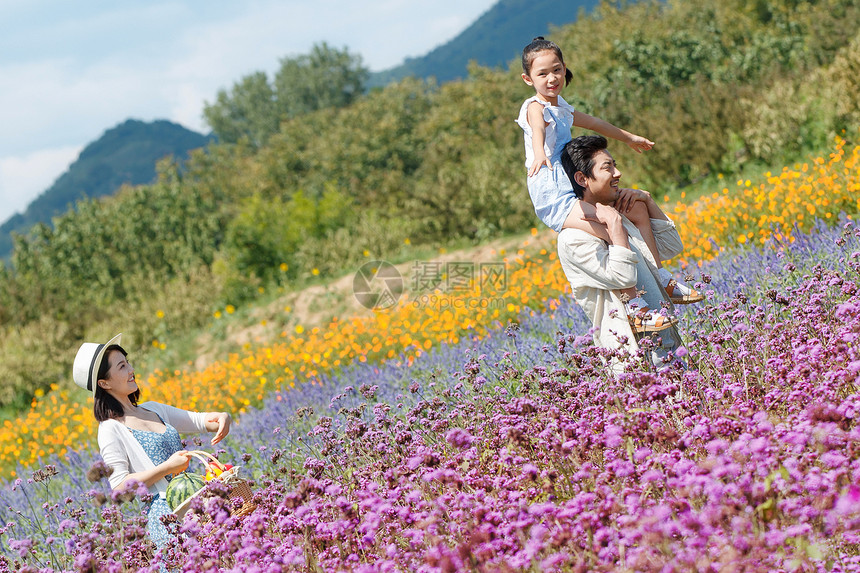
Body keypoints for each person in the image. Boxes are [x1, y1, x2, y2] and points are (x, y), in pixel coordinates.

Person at [516, 37, 701, 330]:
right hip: (553, 193)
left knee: (636, 209)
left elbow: (598, 124)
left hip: (573, 184)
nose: (552, 78)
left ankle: (661, 278)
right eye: (542, 74)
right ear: (528, 79)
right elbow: (537, 128)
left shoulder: (562, 107)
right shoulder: (534, 107)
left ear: (565, 69)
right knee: (609, 225)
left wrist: (629, 138)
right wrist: (539, 152)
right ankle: (635, 308)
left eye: (557, 70)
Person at [73, 333, 232, 553]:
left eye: (127, 363)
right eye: (121, 367)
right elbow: (119, 488)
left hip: (199, 507)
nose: (131, 370)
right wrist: (167, 468)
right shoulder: (110, 428)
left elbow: (201, 420)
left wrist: (223, 416)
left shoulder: (154, 409)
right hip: (169, 521)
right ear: (104, 382)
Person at [556, 135, 686, 369]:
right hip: (632, 358)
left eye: (615, 165)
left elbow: (671, 247)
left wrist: (647, 201)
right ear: (582, 179)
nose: (617, 173)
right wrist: (615, 228)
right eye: (608, 167)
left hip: (668, 346)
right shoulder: (573, 239)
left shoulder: (622, 213)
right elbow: (623, 277)